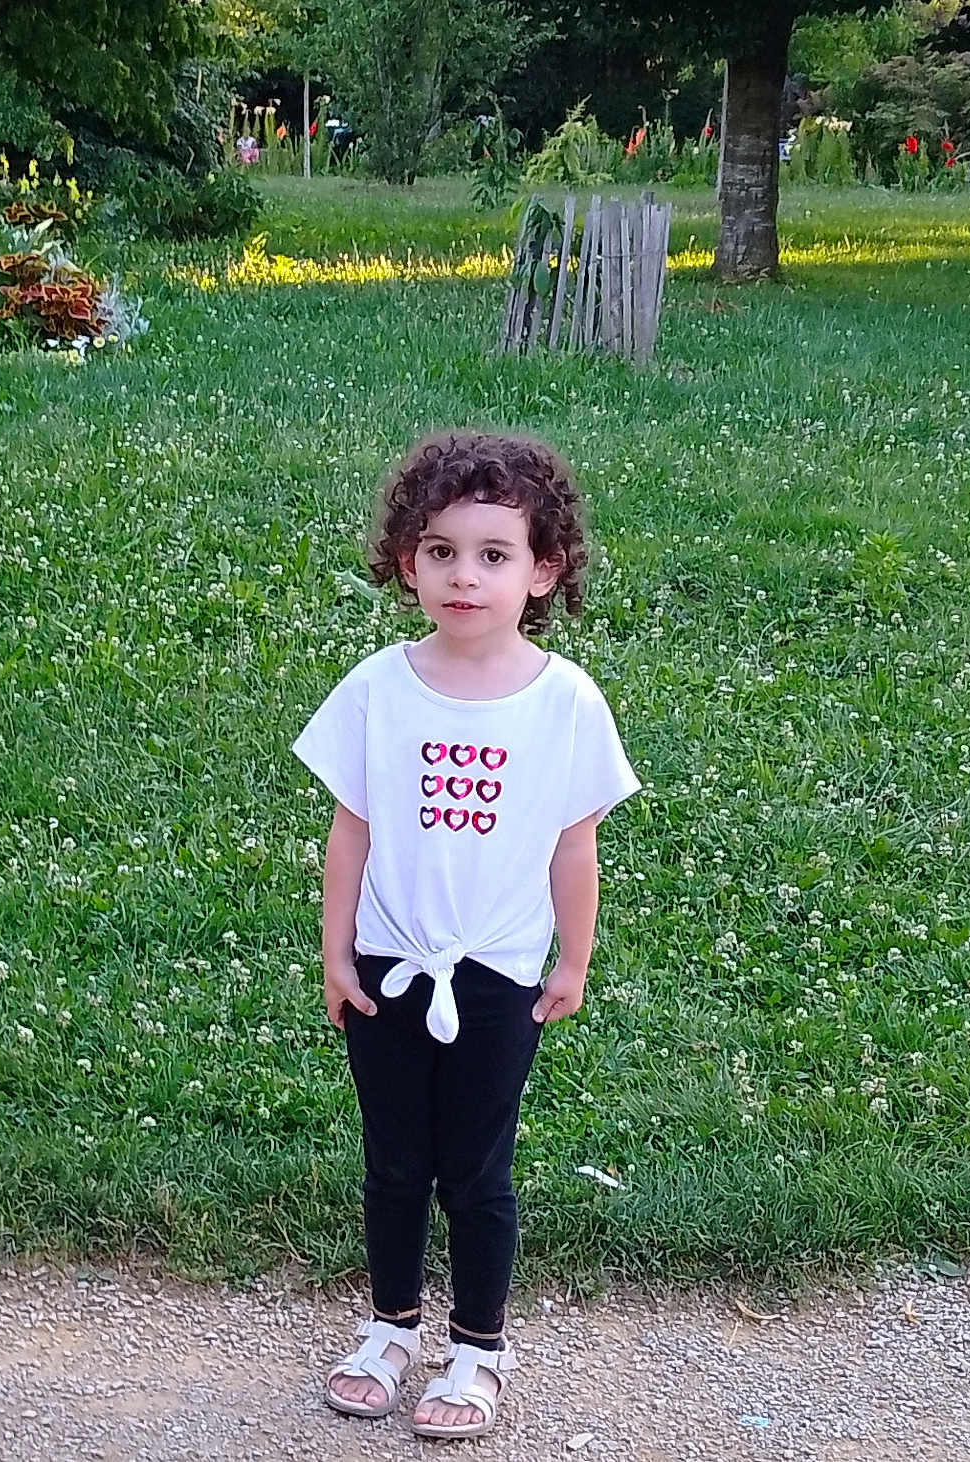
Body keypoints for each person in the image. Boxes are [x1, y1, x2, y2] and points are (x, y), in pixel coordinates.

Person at [291, 430, 639, 1439]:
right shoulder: (376, 687)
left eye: (494, 554)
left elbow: (575, 847)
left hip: (495, 977)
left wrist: (571, 959)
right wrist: (335, 951)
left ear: (543, 569)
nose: (465, 574)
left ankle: (479, 1348)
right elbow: (350, 828)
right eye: (440, 550)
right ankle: (388, 1327)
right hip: (390, 968)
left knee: (475, 1170)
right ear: (407, 560)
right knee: (394, 1162)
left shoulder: (564, 701)